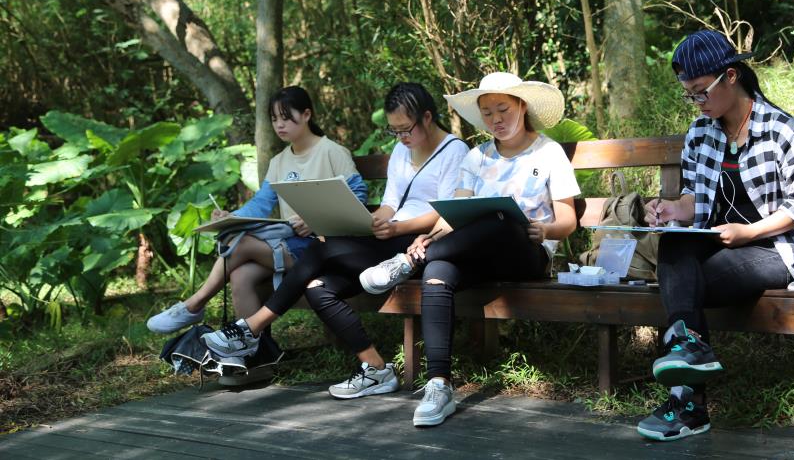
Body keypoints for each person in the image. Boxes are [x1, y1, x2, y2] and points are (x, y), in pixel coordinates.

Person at [200, 83, 469, 399]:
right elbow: (391, 202)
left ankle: (252, 327)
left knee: (321, 248)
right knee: (318, 286)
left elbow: (443, 212)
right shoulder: (402, 150)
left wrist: (396, 228)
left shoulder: (455, 151)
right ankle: (376, 369)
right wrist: (372, 220)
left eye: (406, 129)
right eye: (394, 131)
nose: (401, 137)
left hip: (418, 244)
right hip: (390, 237)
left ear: (427, 117)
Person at [636, 30, 794, 443]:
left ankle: (687, 405)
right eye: (689, 95)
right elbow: (694, 198)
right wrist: (672, 209)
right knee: (674, 242)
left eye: (701, 91)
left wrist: (749, 232)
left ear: (730, 76)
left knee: (686, 287)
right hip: (724, 246)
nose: (697, 102)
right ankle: (688, 345)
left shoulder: (782, 130)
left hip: (779, 250)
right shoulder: (699, 134)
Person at [360, 72, 580, 427]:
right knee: (438, 272)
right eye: (487, 113)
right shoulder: (477, 156)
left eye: (503, 110)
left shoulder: (549, 151)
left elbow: (568, 219)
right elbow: (455, 215)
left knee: (501, 217)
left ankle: (407, 262)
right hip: (477, 253)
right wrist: (430, 237)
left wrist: (546, 229)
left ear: (522, 106)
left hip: (526, 251)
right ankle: (439, 384)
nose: (496, 119)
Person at [147, 86, 367, 335]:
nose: (279, 125)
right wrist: (232, 217)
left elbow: (358, 197)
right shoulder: (279, 161)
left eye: (286, 117)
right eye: (274, 119)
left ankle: (195, 304)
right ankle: (253, 352)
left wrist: (316, 220)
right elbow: (261, 203)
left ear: (307, 114)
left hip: (325, 248)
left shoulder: (332, 152)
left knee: (240, 244)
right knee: (241, 276)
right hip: (292, 245)